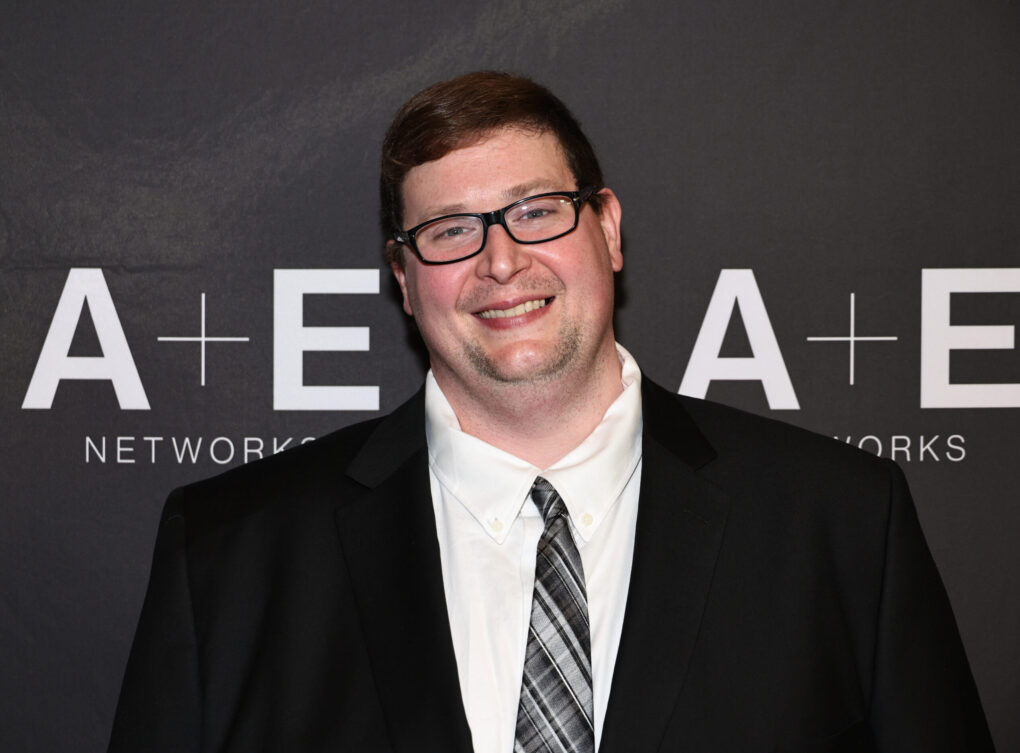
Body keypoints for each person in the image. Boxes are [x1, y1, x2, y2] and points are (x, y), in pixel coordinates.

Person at [108, 71, 995, 753]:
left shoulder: (838, 523)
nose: (499, 260)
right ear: (405, 279)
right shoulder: (230, 552)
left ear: (607, 228)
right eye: (451, 230)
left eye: (536, 211)